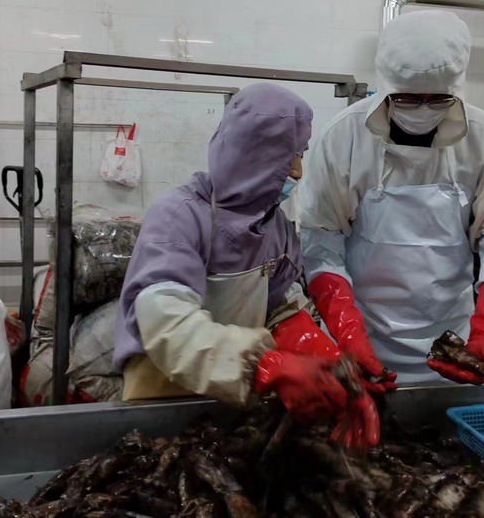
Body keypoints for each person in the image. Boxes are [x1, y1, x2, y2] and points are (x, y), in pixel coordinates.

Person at [114, 82, 380, 448]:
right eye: (289, 157)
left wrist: (335, 369)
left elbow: (280, 308)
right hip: (162, 401)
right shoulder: (179, 215)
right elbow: (166, 325)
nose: (298, 172)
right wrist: (263, 365)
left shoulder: (275, 224)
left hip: (236, 398)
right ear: (253, 155)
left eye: (301, 155)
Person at [299, 10, 484, 385]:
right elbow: (321, 238)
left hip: (452, 341)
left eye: (438, 99)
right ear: (386, 85)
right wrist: (346, 331)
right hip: (361, 333)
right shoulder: (344, 136)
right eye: (407, 98)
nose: (423, 108)